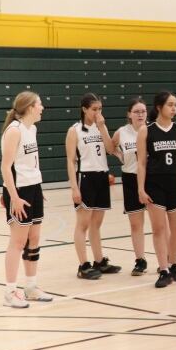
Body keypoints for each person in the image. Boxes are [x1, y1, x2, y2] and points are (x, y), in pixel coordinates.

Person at [137, 91, 176, 288]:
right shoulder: (146, 131)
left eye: (175, 105)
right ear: (159, 107)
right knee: (159, 229)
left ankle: (173, 263)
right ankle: (163, 270)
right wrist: (140, 189)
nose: (174, 108)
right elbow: (141, 163)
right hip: (155, 185)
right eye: (170, 105)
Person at [0, 91, 52, 307]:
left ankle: (30, 287)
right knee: (18, 242)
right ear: (30, 107)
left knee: (34, 238)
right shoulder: (14, 131)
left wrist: (38, 187)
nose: (42, 108)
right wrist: (14, 197)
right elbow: (5, 167)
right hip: (18, 191)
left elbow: (28, 163)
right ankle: (10, 292)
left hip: (33, 188)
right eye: (39, 104)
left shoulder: (33, 129)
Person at [65, 93, 120, 280]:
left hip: (102, 176)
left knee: (97, 224)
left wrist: (102, 126)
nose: (98, 112)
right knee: (83, 224)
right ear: (84, 109)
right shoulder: (74, 131)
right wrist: (74, 187)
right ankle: (83, 265)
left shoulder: (99, 127)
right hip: (85, 177)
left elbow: (111, 149)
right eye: (94, 109)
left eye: (100, 109)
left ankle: (99, 261)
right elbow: (70, 161)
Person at [112, 98, 149, 276]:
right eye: (137, 111)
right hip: (130, 178)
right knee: (136, 224)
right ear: (129, 114)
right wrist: (121, 156)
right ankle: (140, 260)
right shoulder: (122, 132)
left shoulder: (151, 130)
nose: (140, 114)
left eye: (143, 111)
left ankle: (166, 261)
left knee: (160, 224)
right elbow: (110, 147)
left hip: (151, 179)